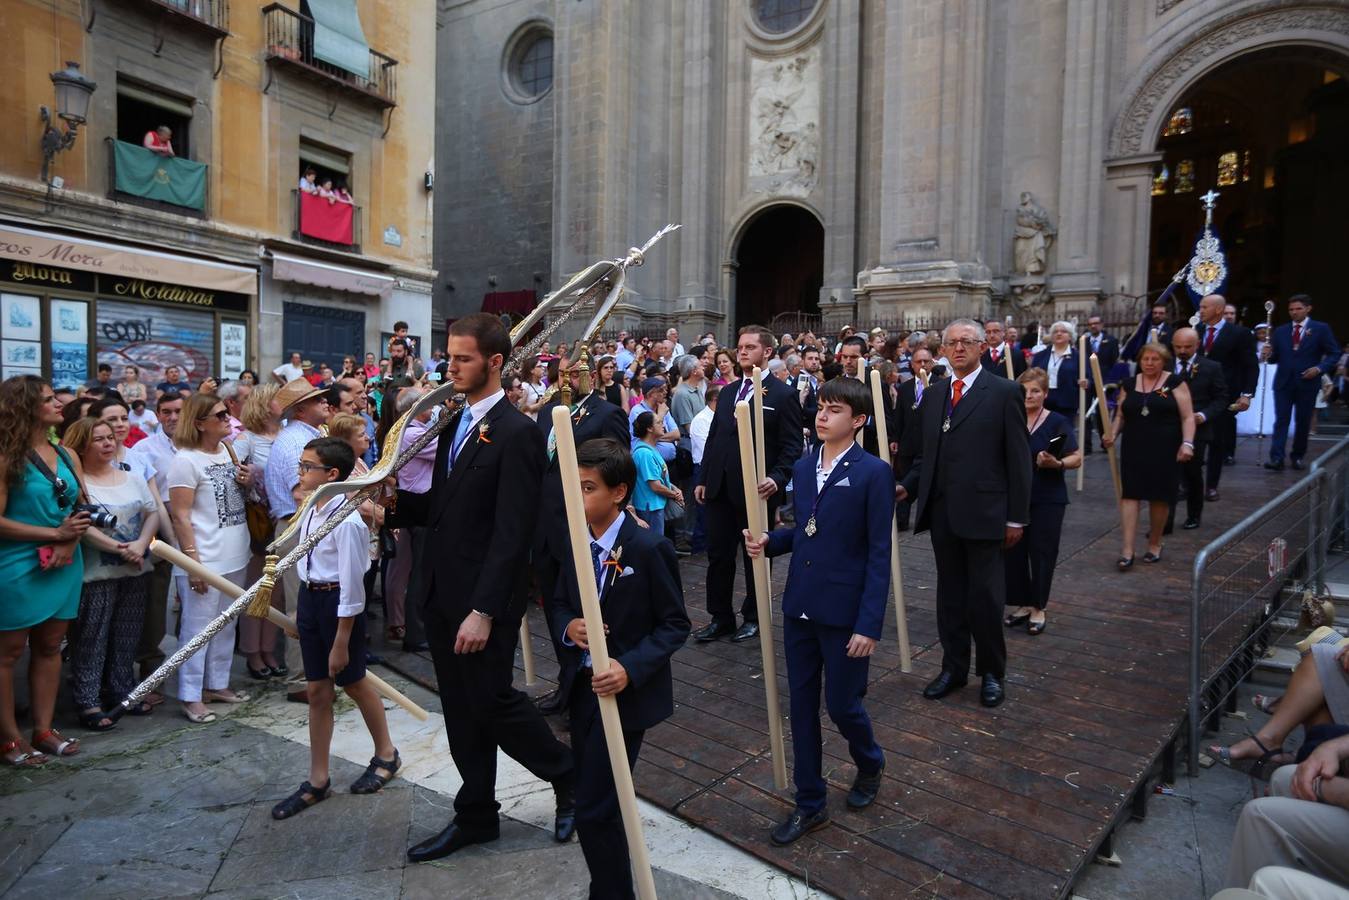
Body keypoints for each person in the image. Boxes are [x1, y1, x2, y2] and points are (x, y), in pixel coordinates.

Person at [391, 314, 574, 863]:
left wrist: (485, 609)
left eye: (463, 358)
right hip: (443, 592)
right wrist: (392, 505)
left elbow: (513, 532)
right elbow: (445, 510)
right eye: (450, 357)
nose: (452, 367)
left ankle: (570, 775)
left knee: (492, 702)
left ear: (495, 363)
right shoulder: (454, 424)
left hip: (481, 602)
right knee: (463, 709)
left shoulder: (518, 433)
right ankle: (476, 815)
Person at [744, 377, 891, 845]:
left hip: (845, 612)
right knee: (802, 709)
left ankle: (869, 760)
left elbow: (877, 552)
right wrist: (771, 541)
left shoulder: (873, 472)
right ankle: (811, 804)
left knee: (843, 706)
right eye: (820, 408)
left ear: (859, 420)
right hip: (801, 606)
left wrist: (869, 624)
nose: (822, 416)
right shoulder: (805, 469)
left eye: (834, 410)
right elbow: (806, 531)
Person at [549, 437, 690, 898]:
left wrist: (629, 668)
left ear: (620, 492)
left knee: (595, 807)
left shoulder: (648, 549)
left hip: (624, 695)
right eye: (573, 486)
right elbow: (559, 602)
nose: (578, 496)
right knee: (596, 802)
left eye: (587, 487)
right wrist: (569, 626)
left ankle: (611, 892)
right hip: (582, 688)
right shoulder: (573, 541)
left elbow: (674, 626)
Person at [898, 319, 1031, 708]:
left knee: (986, 598)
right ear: (943, 349)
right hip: (943, 513)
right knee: (950, 596)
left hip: (987, 512)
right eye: (951, 343)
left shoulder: (1004, 392)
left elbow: (1019, 460)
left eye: (966, 342)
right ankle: (953, 667)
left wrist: (1016, 517)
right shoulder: (936, 394)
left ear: (982, 347)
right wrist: (908, 484)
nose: (958, 349)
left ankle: (991, 672)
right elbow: (928, 454)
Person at [271, 437, 400, 820]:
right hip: (313, 600)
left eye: (307, 466)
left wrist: (342, 639)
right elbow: (305, 560)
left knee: (355, 682)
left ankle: (387, 754)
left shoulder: (346, 521)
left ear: (331, 474)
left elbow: (352, 583)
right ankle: (318, 778)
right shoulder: (311, 508)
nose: (300, 472)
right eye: (301, 464)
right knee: (316, 691)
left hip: (340, 606)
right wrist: (302, 615)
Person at [0, 378, 90, 765]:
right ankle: (8, 737)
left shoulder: (68, 453)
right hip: (18, 561)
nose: (59, 404)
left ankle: (43, 729)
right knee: (8, 653)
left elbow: (83, 507)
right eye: (49, 399)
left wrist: (67, 541)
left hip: (64, 559)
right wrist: (55, 533)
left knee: (51, 646)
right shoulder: (6, 457)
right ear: (24, 408)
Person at [694, 325, 803, 644]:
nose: (742, 351)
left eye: (750, 347)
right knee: (718, 555)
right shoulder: (727, 392)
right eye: (740, 346)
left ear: (767, 352)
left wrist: (778, 477)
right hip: (719, 488)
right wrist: (703, 479)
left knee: (756, 554)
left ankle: (754, 616)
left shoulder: (783, 395)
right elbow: (715, 437)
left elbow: (792, 445)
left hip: (756, 491)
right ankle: (720, 617)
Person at [531, 364, 630, 715]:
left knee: (587, 606)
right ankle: (566, 682)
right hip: (545, 526)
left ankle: (590, 685)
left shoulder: (607, 413)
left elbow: (619, 467)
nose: (569, 379)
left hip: (584, 526)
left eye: (576, 372)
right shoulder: (547, 411)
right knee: (557, 610)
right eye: (563, 372)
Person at [64, 417, 158, 729]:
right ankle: (88, 701)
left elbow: (152, 512)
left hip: (135, 570)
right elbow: (84, 527)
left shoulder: (130, 476)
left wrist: (142, 543)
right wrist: (120, 549)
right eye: (98, 439)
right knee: (91, 637)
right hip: (97, 575)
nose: (108, 443)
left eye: (110, 438)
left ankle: (122, 692)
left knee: (126, 636)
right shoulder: (79, 485)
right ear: (81, 446)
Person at [166, 393, 254, 724]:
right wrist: (192, 563)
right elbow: (181, 516)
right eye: (219, 415)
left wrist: (245, 481)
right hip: (204, 556)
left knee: (227, 623)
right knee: (197, 628)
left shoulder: (227, 450)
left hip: (235, 552)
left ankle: (217, 684)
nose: (227, 419)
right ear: (200, 423)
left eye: (227, 414)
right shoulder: (184, 461)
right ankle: (190, 694)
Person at [1001, 369, 1081, 636]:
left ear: (1045, 393)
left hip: (1048, 496)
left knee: (1042, 552)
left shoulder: (1057, 421)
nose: (1030, 395)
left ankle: (1039, 606)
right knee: (1014, 552)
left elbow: (1076, 457)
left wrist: (1056, 463)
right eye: (1025, 390)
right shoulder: (1010, 419)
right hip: (1013, 498)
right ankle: (1023, 602)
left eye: (1036, 390)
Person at [1103, 342, 1196, 568]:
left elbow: (1188, 417)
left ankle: (1155, 542)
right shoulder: (1129, 384)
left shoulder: (1175, 383)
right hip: (1134, 447)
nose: (1150, 363)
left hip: (1165, 448)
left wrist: (1187, 443)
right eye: (1146, 359)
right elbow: (1120, 416)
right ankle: (1127, 549)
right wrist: (1112, 434)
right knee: (1130, 495)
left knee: (1159, 497)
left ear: (1163, 361)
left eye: (1155, 359)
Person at [126, 392, 184, 693]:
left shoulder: (196, 444)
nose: (172, 417)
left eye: (177, 411)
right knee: (157, 600)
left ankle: (190, 662)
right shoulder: (144, 449)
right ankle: (150, 663)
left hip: (197, 529)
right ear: (157, 414)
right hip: (159, 532)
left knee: (191, 600)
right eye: (166, 412)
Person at [1264, 295, 1340, 471]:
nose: (1294, 312)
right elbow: (1275, 358)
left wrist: (1319, 369)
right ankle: (1277, 458)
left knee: (1303, 420)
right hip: (1284, 383)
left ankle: (1297, 456)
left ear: (1308, 309)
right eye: (1291, 309)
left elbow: (1334, 353)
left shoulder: (1321, 329)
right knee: (1281, 420)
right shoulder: (1281, 331)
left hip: (1308, 381)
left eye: (1298, 309)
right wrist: (1268, 354)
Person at [1196, 293, 1257, 495]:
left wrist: (1247, 394)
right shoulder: (1196, 330)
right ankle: (1189, 484)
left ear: (1218, 310)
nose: (1201, 310)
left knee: (1216, 441)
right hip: (1197, 396)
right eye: (1200, 307)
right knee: (1194, 441)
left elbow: (1250, 366)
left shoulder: (1239, 334)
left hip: (1224, 395)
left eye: (1205, 307)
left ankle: (1211, 485)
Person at [1167, 328, 1227, 531]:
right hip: (1167, 427)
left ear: (1197, 344)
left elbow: (1221, 398)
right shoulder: (1164, 366)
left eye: (1187, 347)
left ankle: (1194, 515)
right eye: (1178, 347)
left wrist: (1203, 415)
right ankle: (1165, 520)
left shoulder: (1211, 367)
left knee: (1192, 474)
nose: (1182, 351)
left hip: (1198, 429)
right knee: (1167, 475)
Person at [893, 346, 933, 531]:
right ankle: (902, 520)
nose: (923, 365)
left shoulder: (941, 385)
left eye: (926, 361)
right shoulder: (906, 387)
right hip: (908, 444)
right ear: (912, 364)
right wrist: (895, 438)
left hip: (929, 444)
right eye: (919, 361)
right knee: (905, 482)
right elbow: (899, 416)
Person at [630, 412, 682, 532]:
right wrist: (675, 495)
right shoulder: (645, 454)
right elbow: (655, 486)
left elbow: (659, 476)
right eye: (659, 422)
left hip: (656, 505)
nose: (663, 425)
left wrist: (674, 488)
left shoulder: (651, 449)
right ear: (649, 428)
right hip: (650, 508)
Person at [1030, 321, 1085, 419]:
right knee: (1044, 431)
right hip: (1043, 400)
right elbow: (1032, 376)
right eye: (1055, 332)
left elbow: (1088, 377)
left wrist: (1086, 382)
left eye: (1063, 331)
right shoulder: (1040, 356)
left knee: (1062, 433)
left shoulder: (1079, 357)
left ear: (1070, 336)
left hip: (1066, 401)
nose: (1059, 334)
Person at [688, 384, 718, 554]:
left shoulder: (720, 416)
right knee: (704, 514)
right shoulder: (701, 420)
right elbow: (710, 450)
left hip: (717, 469)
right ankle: (699, 551)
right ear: (715, 400)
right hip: (703, 470)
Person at [628, 377, 679, 464]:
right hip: (649, 462)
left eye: (664, 389)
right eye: (660, 390)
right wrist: (661, 415)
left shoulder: (662, 407)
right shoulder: (638, 411)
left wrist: (656, 437)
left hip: (669, 464)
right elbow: (648, 438)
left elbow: (676, 434)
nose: (665, 392)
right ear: (650, 394)